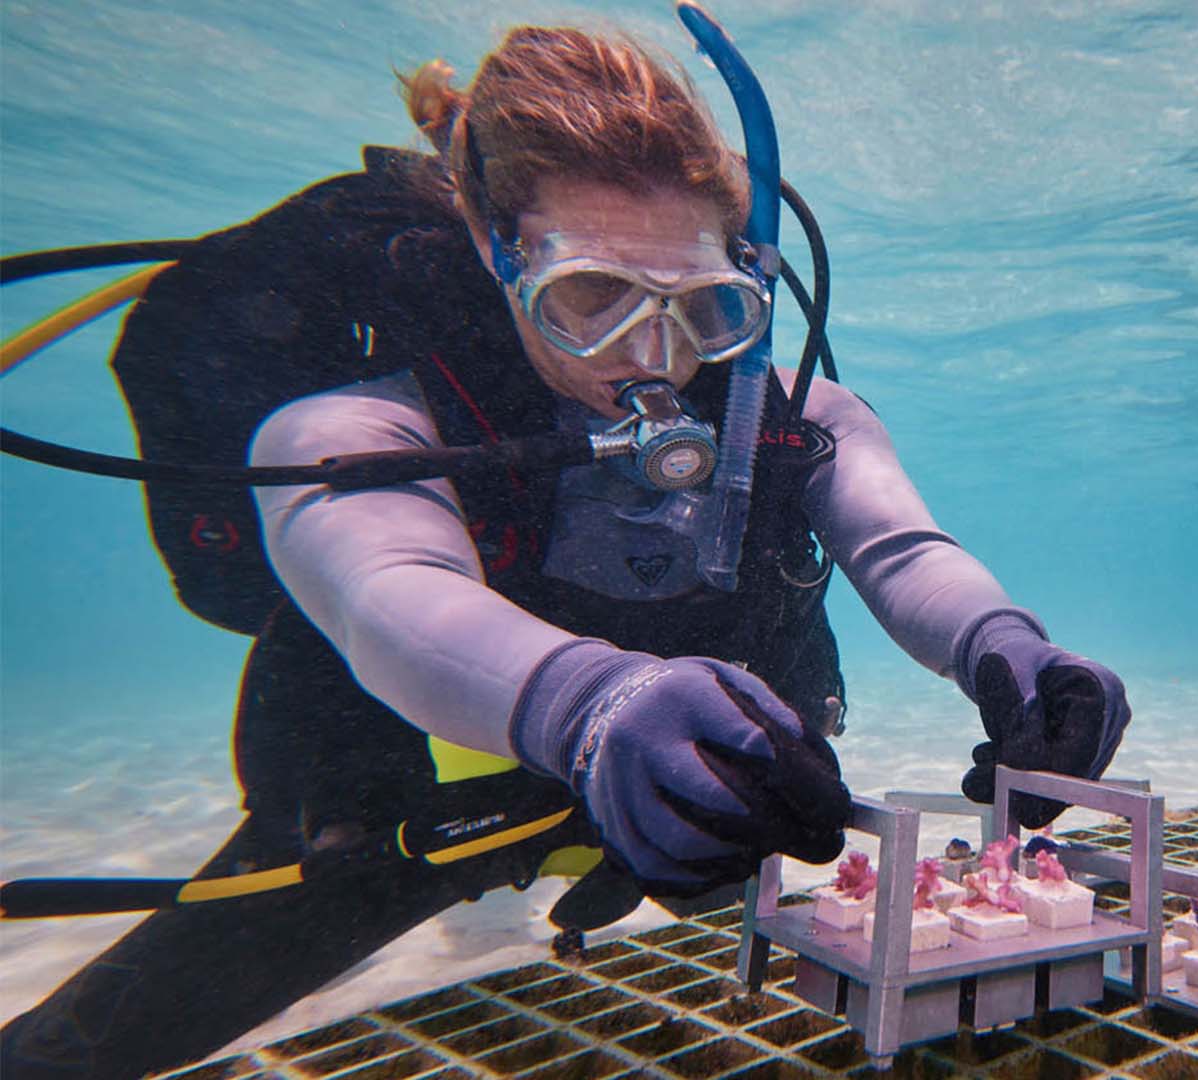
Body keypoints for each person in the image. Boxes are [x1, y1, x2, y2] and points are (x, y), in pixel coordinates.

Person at [0, 16, 1128, 1079]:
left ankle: (601, 886)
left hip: (696, 796)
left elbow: (900, 546)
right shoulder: (353, 433)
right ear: (499, 256)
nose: (651, 354)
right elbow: (388, 588)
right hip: (418, 824)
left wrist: (1012, 652)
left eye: (701, 308)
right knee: (86, 1050)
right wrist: (591, 705)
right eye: (590, 297)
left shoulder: (794, 414)